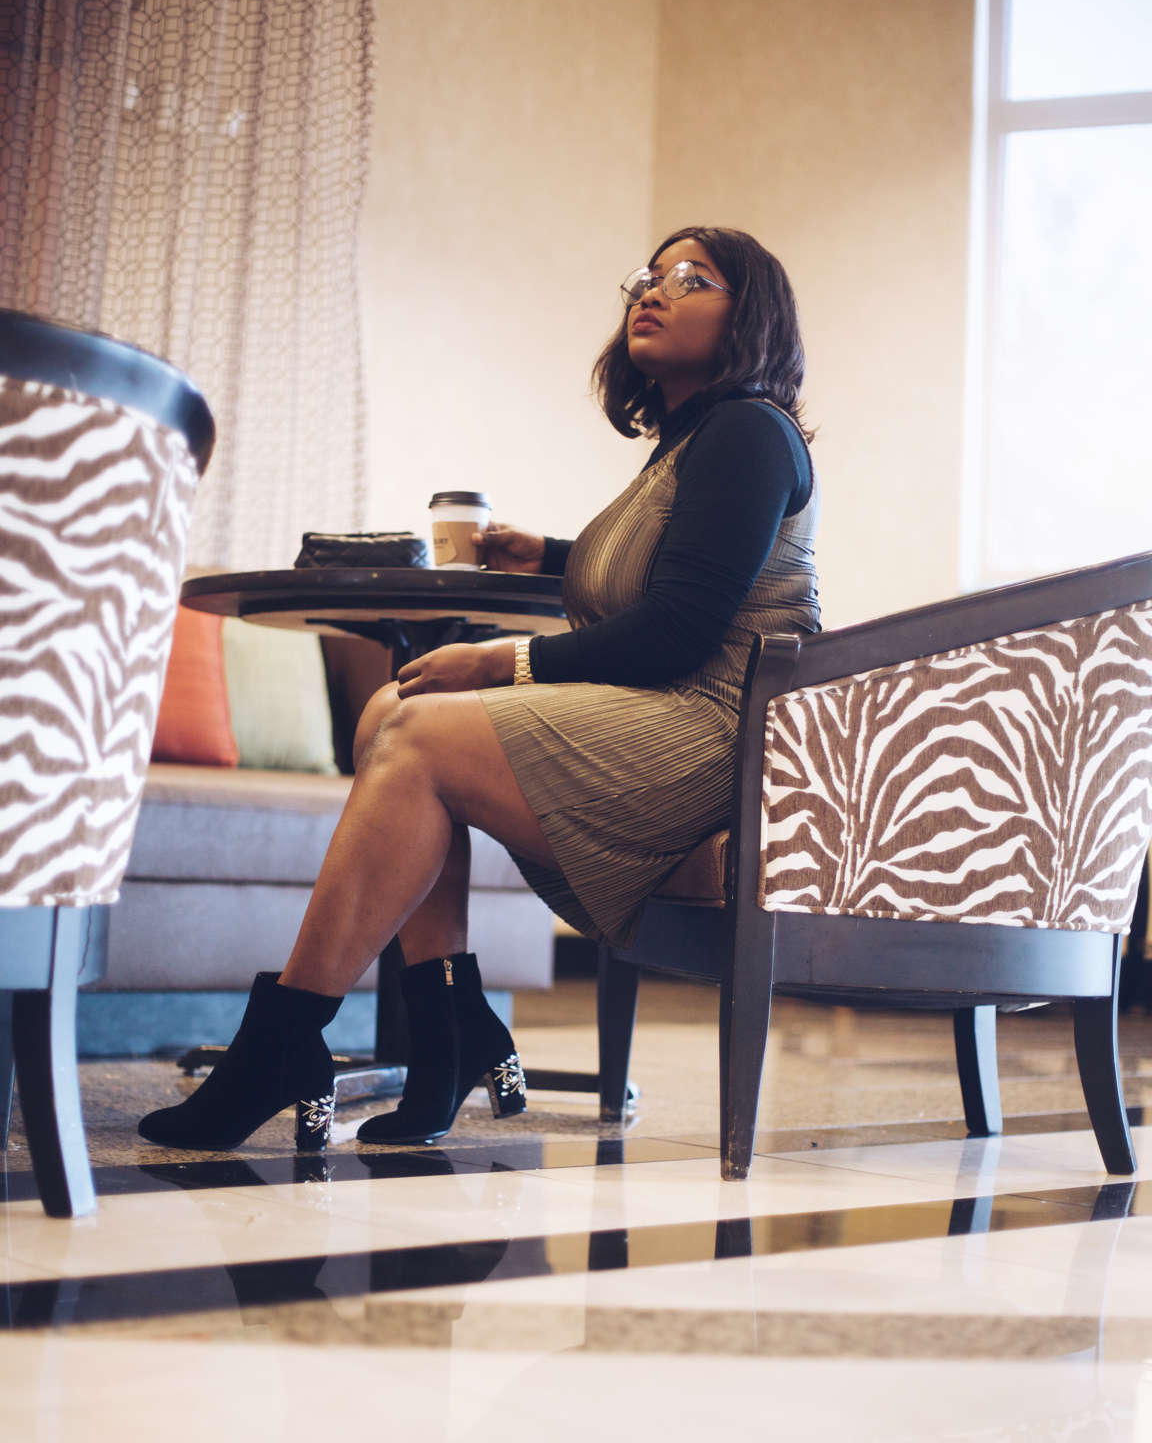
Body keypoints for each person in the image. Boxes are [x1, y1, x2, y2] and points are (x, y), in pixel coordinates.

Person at [138, 225, 820, 1152]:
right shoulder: (692, 442)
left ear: (753, 316)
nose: (654, 292)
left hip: (719, 733)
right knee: (392, 710)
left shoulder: (748, 430)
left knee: (416, 732)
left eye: (693, 279)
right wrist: (554, 555)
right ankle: (449, 1028)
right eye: (647, 277)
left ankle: (286, 1041)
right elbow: (690, 565)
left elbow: (681, 627)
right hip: (672, 712)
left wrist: (505, 660)